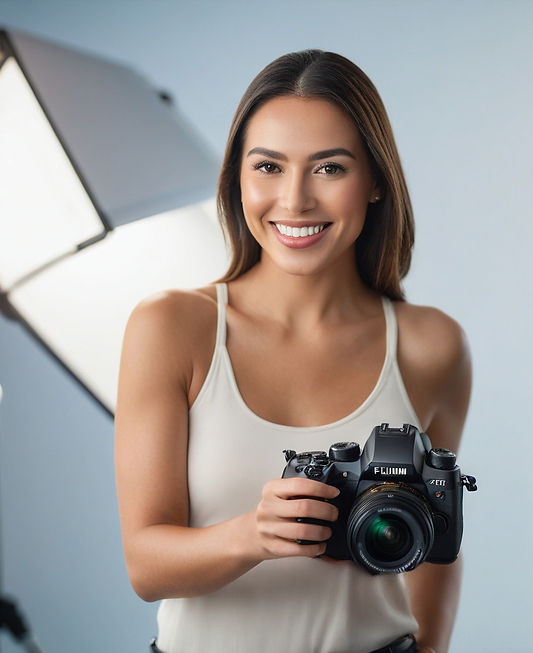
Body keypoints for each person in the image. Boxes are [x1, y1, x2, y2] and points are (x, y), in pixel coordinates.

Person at [114, 50, 471, 653]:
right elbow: (146, 566)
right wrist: (254, 535)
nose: (295, 200)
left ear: (377, 180)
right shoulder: (171, 327)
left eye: (329, 168)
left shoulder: (432, 344)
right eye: (269, 166)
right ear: (237, 179)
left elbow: (437, 539)